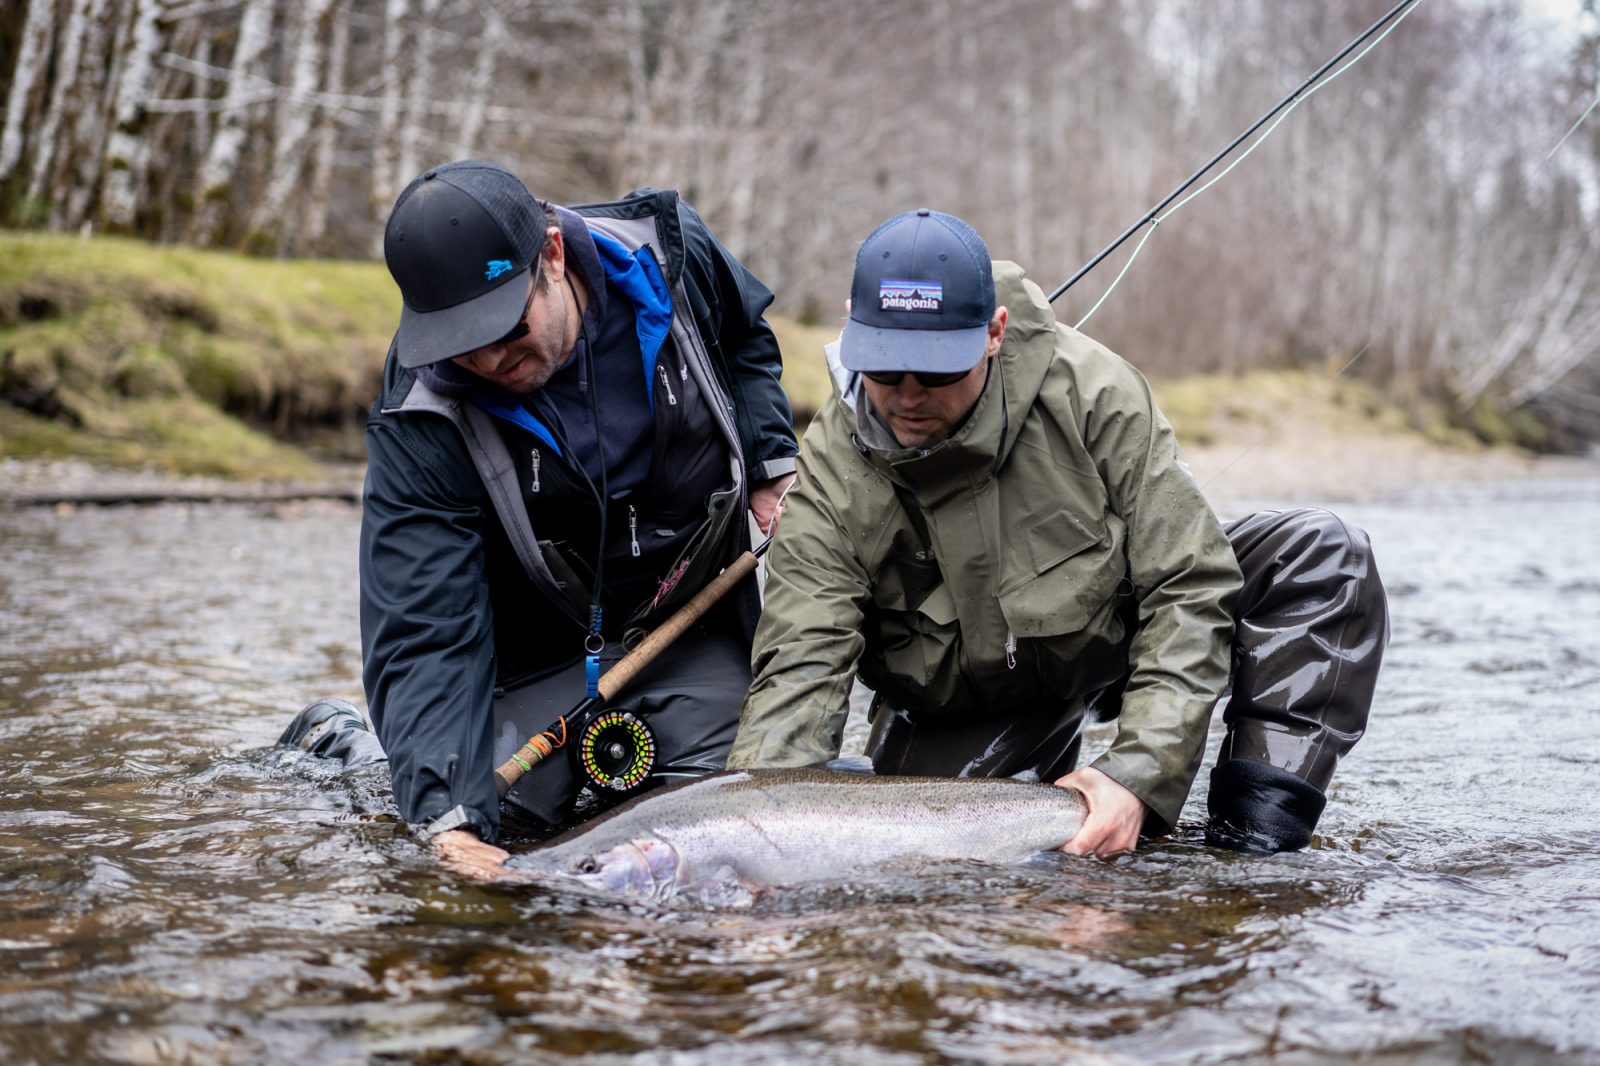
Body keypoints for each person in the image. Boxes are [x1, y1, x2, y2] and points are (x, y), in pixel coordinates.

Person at [726, 209, 1388, 856]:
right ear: (852, 325)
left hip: (1113, 633)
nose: (906, 395)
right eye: (884, 366)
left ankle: (1248, 855)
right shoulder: (828, 473)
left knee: (1320, 554)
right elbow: (799, 669)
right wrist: (758, 835)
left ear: (994, 331)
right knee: (936, 878)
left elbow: (1188, 583)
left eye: (935, 370)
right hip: (965, 704)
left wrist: (1138, 775)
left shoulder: (1094, 392)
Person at [280, 160, 797, 880]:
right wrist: (450, 822)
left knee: (720, 827)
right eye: (463, 342)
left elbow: (744, 340)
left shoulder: (669, 252)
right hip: (534, 654)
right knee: (478, 828)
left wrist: (771, 463)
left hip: (691, 619)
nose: (490, 358)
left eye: (506, 326)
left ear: (553, 256)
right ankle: (342, 743)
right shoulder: (418, 412)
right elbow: (425, 625)